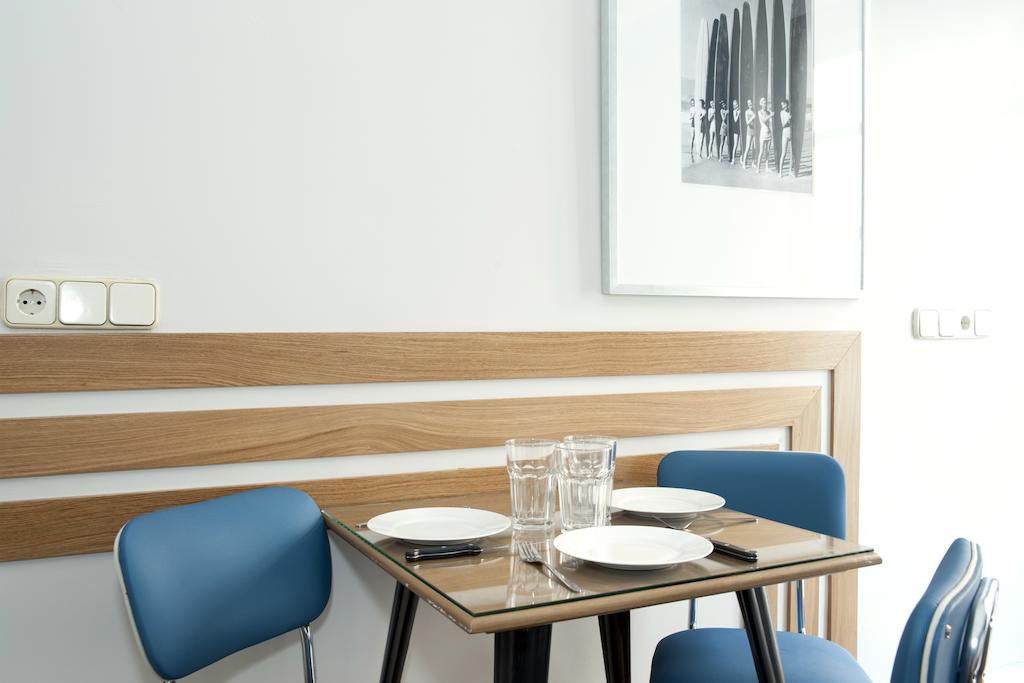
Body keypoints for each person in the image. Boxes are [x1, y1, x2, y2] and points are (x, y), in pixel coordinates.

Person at [777, 99, 794, 177]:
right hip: (785, 133)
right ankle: (780, 172)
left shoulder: (791, 111)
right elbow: (783, 124)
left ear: (787, 104)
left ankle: (790, 171)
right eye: (782, 105)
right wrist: (789, 118)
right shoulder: (782, 113)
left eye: (784, 104)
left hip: (791, 132)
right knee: (784, 153)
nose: (783, 106)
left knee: (792, 154)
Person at [755, 97, 772, 173]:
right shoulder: (759, 112)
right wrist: (770, 115)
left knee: (767, 151)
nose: (765, 104)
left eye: (766, 103)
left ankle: (767, 167)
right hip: (763, 133)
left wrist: (771, 114)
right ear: (761, 104)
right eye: (764, 103)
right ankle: (758, 168)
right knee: (761, 151)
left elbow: (770, 121)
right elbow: (764, 120)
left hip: (769, 133)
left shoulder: (768, 112)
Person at [742, 99, 756, 168]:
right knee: (748, 147)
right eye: (749, 103)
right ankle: (744, 163)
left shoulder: (755, 110)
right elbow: (747, 122)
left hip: (755, 130)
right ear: (747, 104)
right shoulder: (746, 112)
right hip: (749, 130)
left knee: (754, 147)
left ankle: (753, 162)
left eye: (751, 103)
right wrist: (753, 117)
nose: (750, 104)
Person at [730, 99, 742, 164]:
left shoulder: (739, 110)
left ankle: (741, 159)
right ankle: (733, 159)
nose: (735, 106)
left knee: (741, 144)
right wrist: (738, 114)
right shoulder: (734, 111)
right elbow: (735, 120)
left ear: (738, 104)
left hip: (740, 128)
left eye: (736, 104)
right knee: (735, 144)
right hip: (736, 129)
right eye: (734, 105)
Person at [687, 97, 698, 162]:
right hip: (693, 123)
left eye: (693, 103)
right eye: (692, 103)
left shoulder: (697, 108)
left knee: (697, 137)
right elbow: (690, 117)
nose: (693, 104)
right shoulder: (691, 109)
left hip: (698, 122)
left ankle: (698, 150)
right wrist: (693, 115)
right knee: (692, 137)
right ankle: (691, 150)